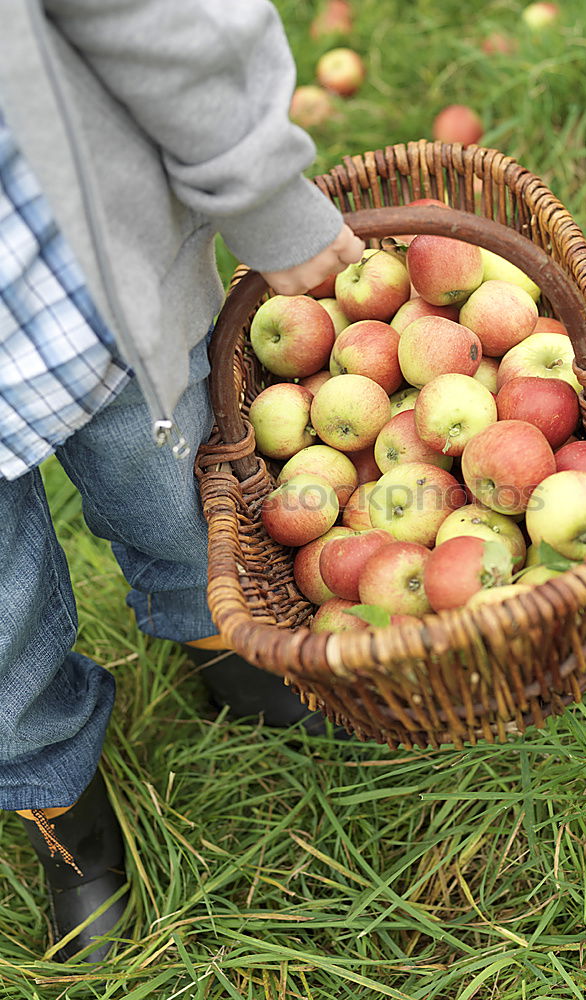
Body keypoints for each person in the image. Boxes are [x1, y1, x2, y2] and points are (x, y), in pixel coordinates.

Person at [0, 0, 365, 964]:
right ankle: (54, 797)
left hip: (85, 288)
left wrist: (263, 191)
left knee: (178, 495)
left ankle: (216, 634)